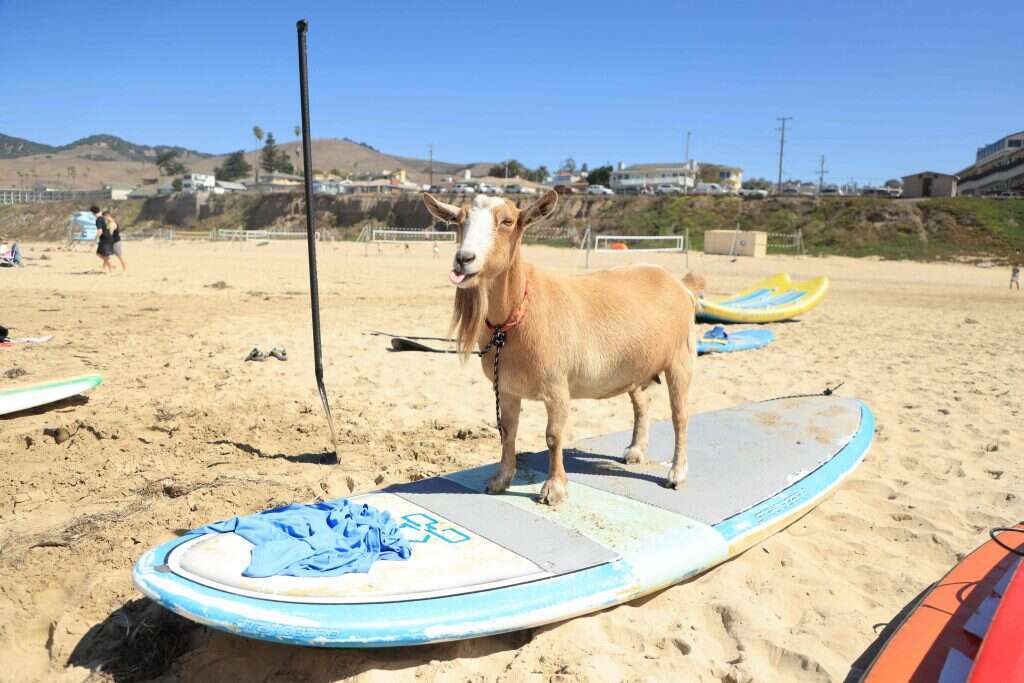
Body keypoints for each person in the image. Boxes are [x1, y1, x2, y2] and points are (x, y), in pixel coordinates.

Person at [92, 206, 113, 273]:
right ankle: (104, 269)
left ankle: (111, 267)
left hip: (104, 239)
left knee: (99, 254)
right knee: (105, 255)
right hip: (109, 237)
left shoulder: (98, 219)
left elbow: (100, 231)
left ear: (93, 213)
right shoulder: (104, 218)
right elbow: (108, 226)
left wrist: (94, 240)